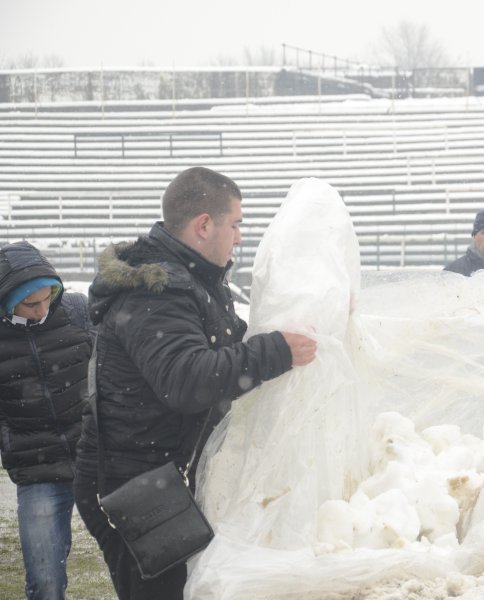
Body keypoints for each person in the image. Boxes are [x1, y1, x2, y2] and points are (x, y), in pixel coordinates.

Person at [73, 166, 319, 600]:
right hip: (135, 488)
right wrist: (275, 351)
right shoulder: (156, 290)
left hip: (162, 475)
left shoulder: (192, 282)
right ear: (204, 226)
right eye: (236, 224)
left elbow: (223, 349)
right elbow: (186, 381)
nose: (240, 237)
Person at [0, 241, 94, 600]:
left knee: (136, 562)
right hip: (37, 470)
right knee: (44, 581)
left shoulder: (76, 311)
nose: (42, 310)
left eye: (47, 299)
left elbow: (112, 369)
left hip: (95, 459)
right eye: (31, 303)